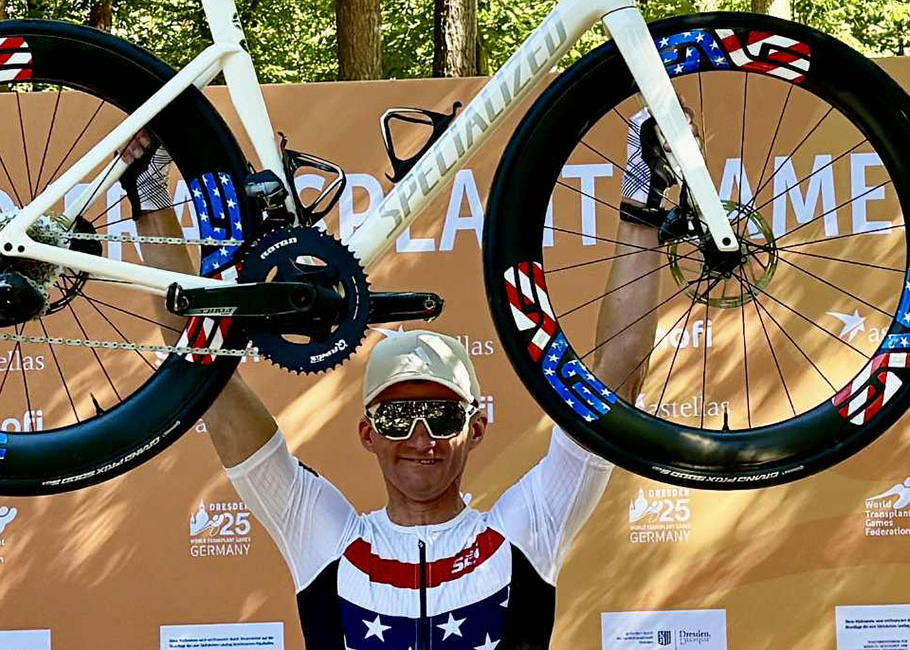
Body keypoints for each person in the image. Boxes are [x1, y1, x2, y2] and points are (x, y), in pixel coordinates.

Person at [123, 106, 682, 649]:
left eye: (441, 415)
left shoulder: (525, 530)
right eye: (396, 417)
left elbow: (612, 389)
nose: (421, 438)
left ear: (477, 426)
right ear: (368, 433)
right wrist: (149, 196)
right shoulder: (324, 538)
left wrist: (642, 199)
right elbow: (203, 372)